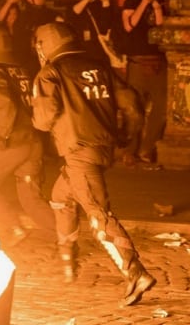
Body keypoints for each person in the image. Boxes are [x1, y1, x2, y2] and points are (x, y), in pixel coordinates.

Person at [31, 21, 157, 307]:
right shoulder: (97, 66)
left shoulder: (50, 73)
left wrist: (36, 110)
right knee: (60, 197)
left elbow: (44, 119)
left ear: (43, 46)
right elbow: (133, 104)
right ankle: (68, 261)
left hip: (78, 152)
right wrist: (126, 136)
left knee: (98, 214)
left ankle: (135, 271)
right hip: (102, 148)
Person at [0, 25, 56, 247]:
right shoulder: (19, 69)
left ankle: (14, 228)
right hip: (33, 141)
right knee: (31, 199)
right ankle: (64, 236)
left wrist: (0, 138)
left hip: (13, 142)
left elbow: (4, 106)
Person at [119, 0, 168, 168]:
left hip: (157, 61)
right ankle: (129, 150)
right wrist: (143, 3)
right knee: (134, 108)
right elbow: (129, 25)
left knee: (161, 108)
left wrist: (156, 6)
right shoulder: (131, 1)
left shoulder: (159, 2)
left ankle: (147, 148)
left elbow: (160, 27)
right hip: (137, 61)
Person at [63, 0, 121, 72]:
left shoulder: (104, 3)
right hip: (80, 55)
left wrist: (105, 3)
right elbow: (72, 15)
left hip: (100, 55)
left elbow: (106, 27)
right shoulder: (73, 4)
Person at [12, 0, 59, 77]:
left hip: (50, 58)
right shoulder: (22, 19)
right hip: (29, 60)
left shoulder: (52, 15)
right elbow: (18, 42)